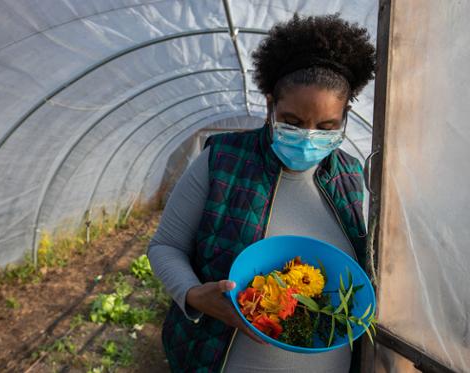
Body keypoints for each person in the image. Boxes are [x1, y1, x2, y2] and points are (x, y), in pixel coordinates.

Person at [147, 13, 376, 373]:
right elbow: (165, 246)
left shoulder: (349, 175)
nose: (309, 136)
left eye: (327, 126)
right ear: (270, 105)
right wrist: (193, 294)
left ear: (345, 116)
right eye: (293, 122)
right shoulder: (222, 162)